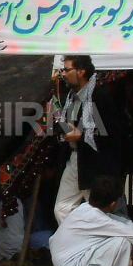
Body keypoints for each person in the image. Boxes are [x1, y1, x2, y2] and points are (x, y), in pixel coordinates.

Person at [54, 55, 124, 223]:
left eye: (67, 69)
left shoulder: (99, 96)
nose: (63, 74)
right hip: (75, 159)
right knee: (62, 208)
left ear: (81, 71)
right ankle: (78, 243)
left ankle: (108, 245)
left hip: (95, 162)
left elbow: (112, 132)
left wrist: (82, 135)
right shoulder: (71, 97)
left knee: (101, 212)